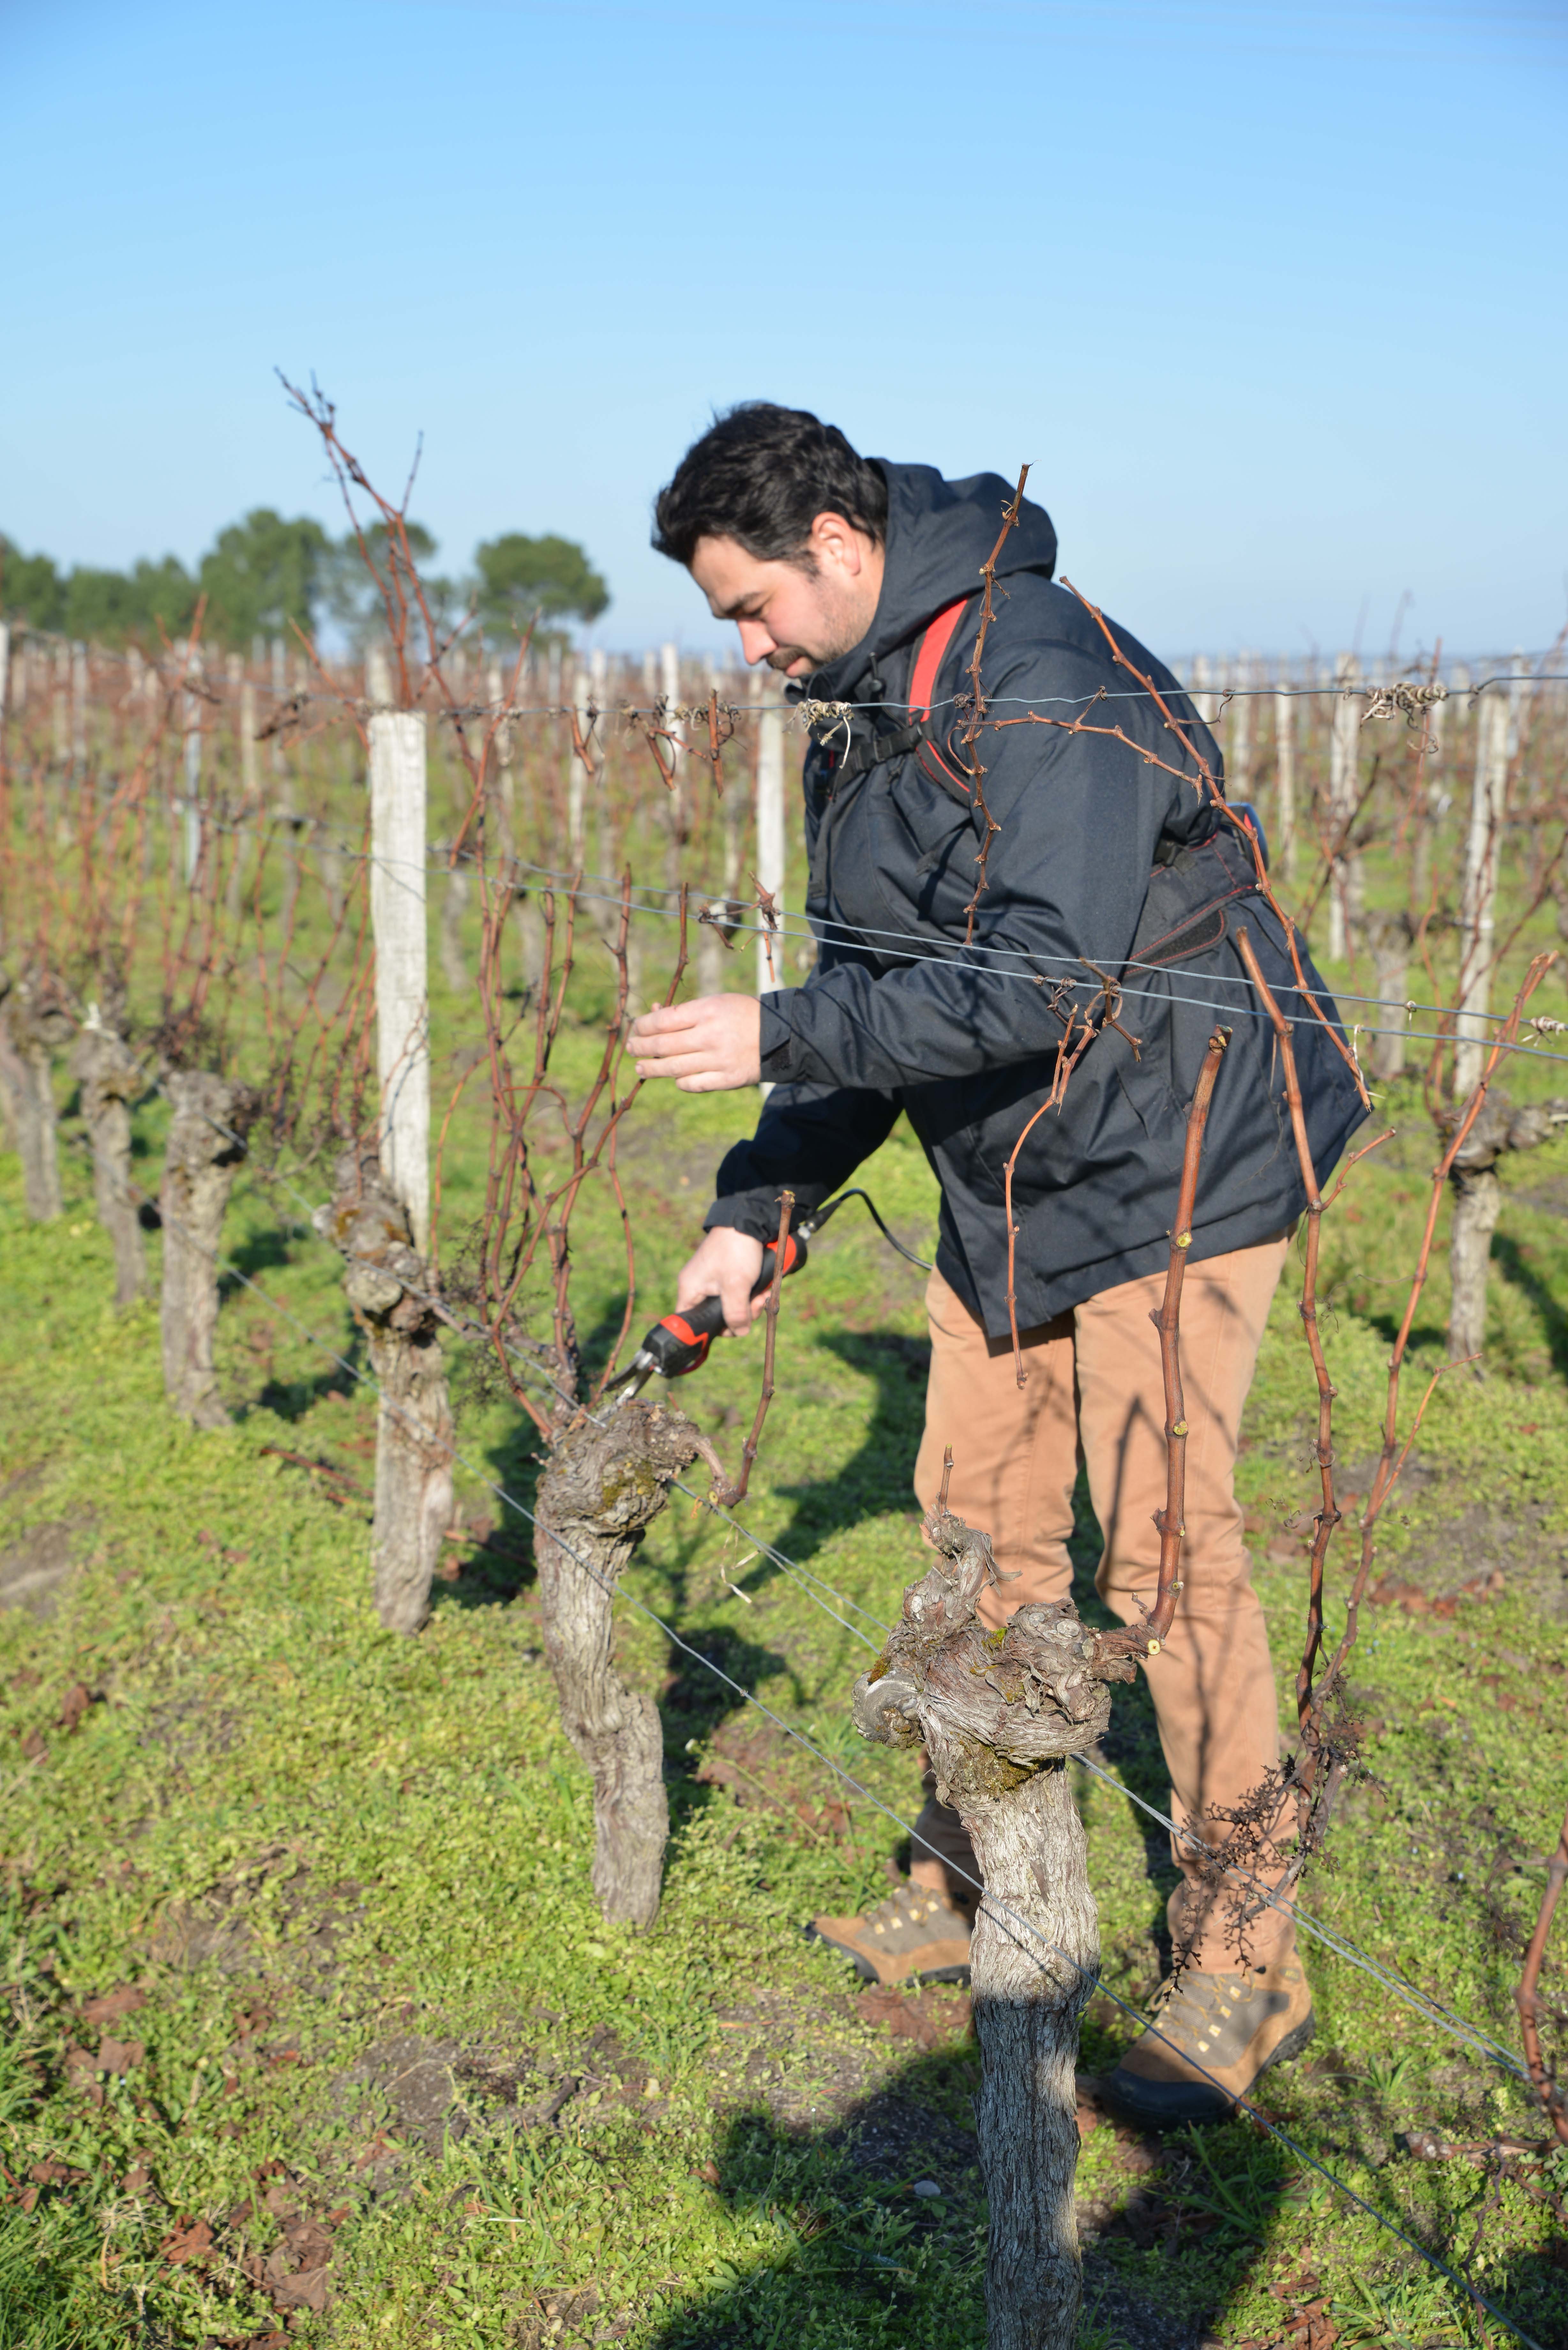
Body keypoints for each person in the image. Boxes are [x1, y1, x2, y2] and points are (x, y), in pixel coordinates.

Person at [628, 403, 1365, 2126]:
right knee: (973, 1518)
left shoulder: (1044, 678)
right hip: (1015, 1166)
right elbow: (880, 995)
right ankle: (981, 1871)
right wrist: (764, 1204)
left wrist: (772, 1029)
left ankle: (1248, 1963)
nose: (744, 651)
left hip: (1185, 1144)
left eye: (753, 609)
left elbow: (1042, 985)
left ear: (842, 541)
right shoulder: (866, 712)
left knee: (1173, 1559)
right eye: (724, 620)